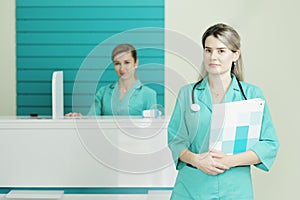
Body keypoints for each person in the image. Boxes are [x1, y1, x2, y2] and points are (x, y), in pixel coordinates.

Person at [168, 23, 279, 199]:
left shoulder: (251, 95)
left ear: (235, 54)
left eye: (221, 51)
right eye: (208, 50)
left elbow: (269, 144)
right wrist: (197, 160)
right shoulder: (187, 94)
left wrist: (229, 161)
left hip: (234, 188)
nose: (213, 57)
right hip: (192, 187)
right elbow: (176, 140)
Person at [66, 44, 157, 117]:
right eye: (117, 63)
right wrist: (79, 117)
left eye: (127, 62)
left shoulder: (148, 94)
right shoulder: (103, 92)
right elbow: (92, 120)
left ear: (136, 63)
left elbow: (153, 128)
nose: (122, 68)